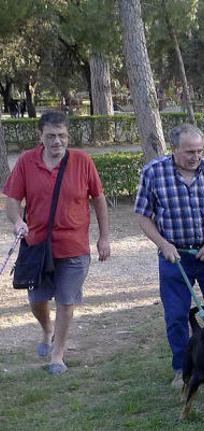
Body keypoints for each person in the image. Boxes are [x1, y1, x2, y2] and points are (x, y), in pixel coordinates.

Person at [2, 110, 111, 375]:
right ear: (40, 136)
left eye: (62, 135)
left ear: (67, 135)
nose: (57, 141)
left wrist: (104, 237)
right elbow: (12, 201)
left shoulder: (83, 162)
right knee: (36, 301)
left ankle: (58, 354)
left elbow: (98, 199)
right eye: (50, 136)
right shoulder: (27, 162)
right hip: (37, 245)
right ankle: (46, 328)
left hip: (74, 246)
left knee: (66, 299)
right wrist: (18, 222)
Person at [134, 124, 204, 387]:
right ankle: (183, 369)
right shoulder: (154, 172)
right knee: (176, 315)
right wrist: (163, 244)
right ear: (174, 150)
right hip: (175, 257)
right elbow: (143, 216)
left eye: (200, 151)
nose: (195, 156)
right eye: (189, 151)